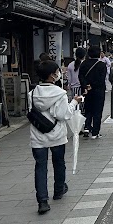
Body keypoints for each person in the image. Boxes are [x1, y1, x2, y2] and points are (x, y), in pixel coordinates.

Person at [29, 60, 83, 215]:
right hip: (57, 135)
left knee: (40, 167)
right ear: (53, 75)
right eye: (58, 71)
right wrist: (74, 102)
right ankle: (59, 189)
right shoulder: (60, 94)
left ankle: (42, 201)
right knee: (59, 162)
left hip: (38, 136)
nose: (60, 73)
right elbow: (63, 114)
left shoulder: (32, 94)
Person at [79, 46, 108, 139]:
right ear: (99, 54)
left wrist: (86, 85)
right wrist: (92, 85)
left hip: (86, 91)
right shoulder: (101, 65)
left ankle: (87, 127)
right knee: (97, 111)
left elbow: (81, 76)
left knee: (88, 109)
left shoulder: (83, 64)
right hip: (98, 91)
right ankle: (95, 132)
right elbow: (101, 79)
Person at [66, 47, 87, 115]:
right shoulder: (85, 64)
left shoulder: (70, 65)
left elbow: (69, 78)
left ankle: (76, 119)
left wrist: (69, 85)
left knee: (75, 105)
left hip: (74, 87)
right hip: (84, 87)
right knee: (83, 105)